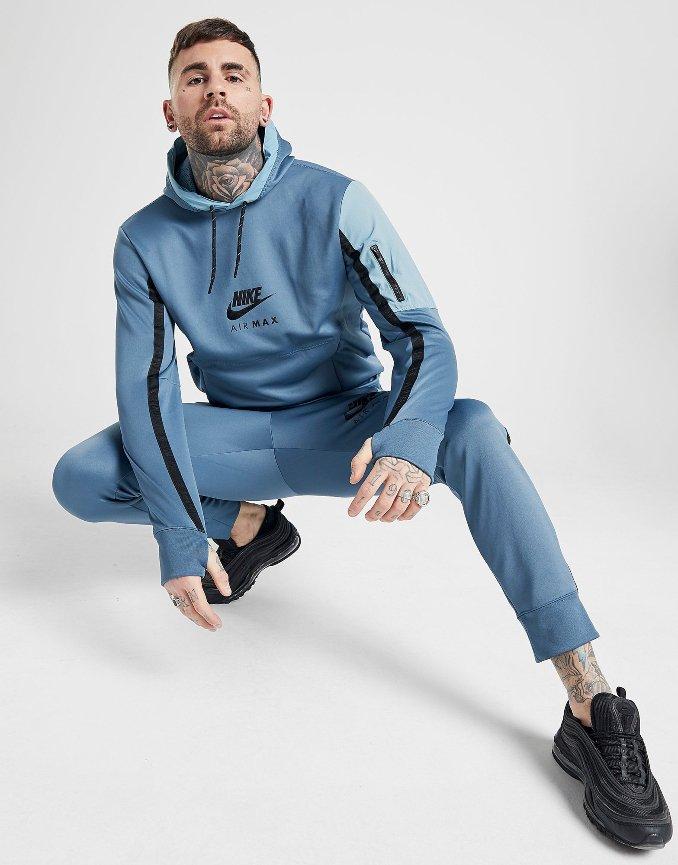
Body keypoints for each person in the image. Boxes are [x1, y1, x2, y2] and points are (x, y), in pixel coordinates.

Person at [51, 17, 671, 849]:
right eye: (194, 77)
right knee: (84, 473)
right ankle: (247, 525)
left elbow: (423, 337)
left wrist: (409, 436)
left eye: (234, 74)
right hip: (237, 436)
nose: (216, 88)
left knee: (474, 429)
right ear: (171, 111)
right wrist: (177, 530)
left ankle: (589, 700)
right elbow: (147, 391)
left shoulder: (335, 198)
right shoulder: (143, 238)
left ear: (264, 103)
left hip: (346, 432)